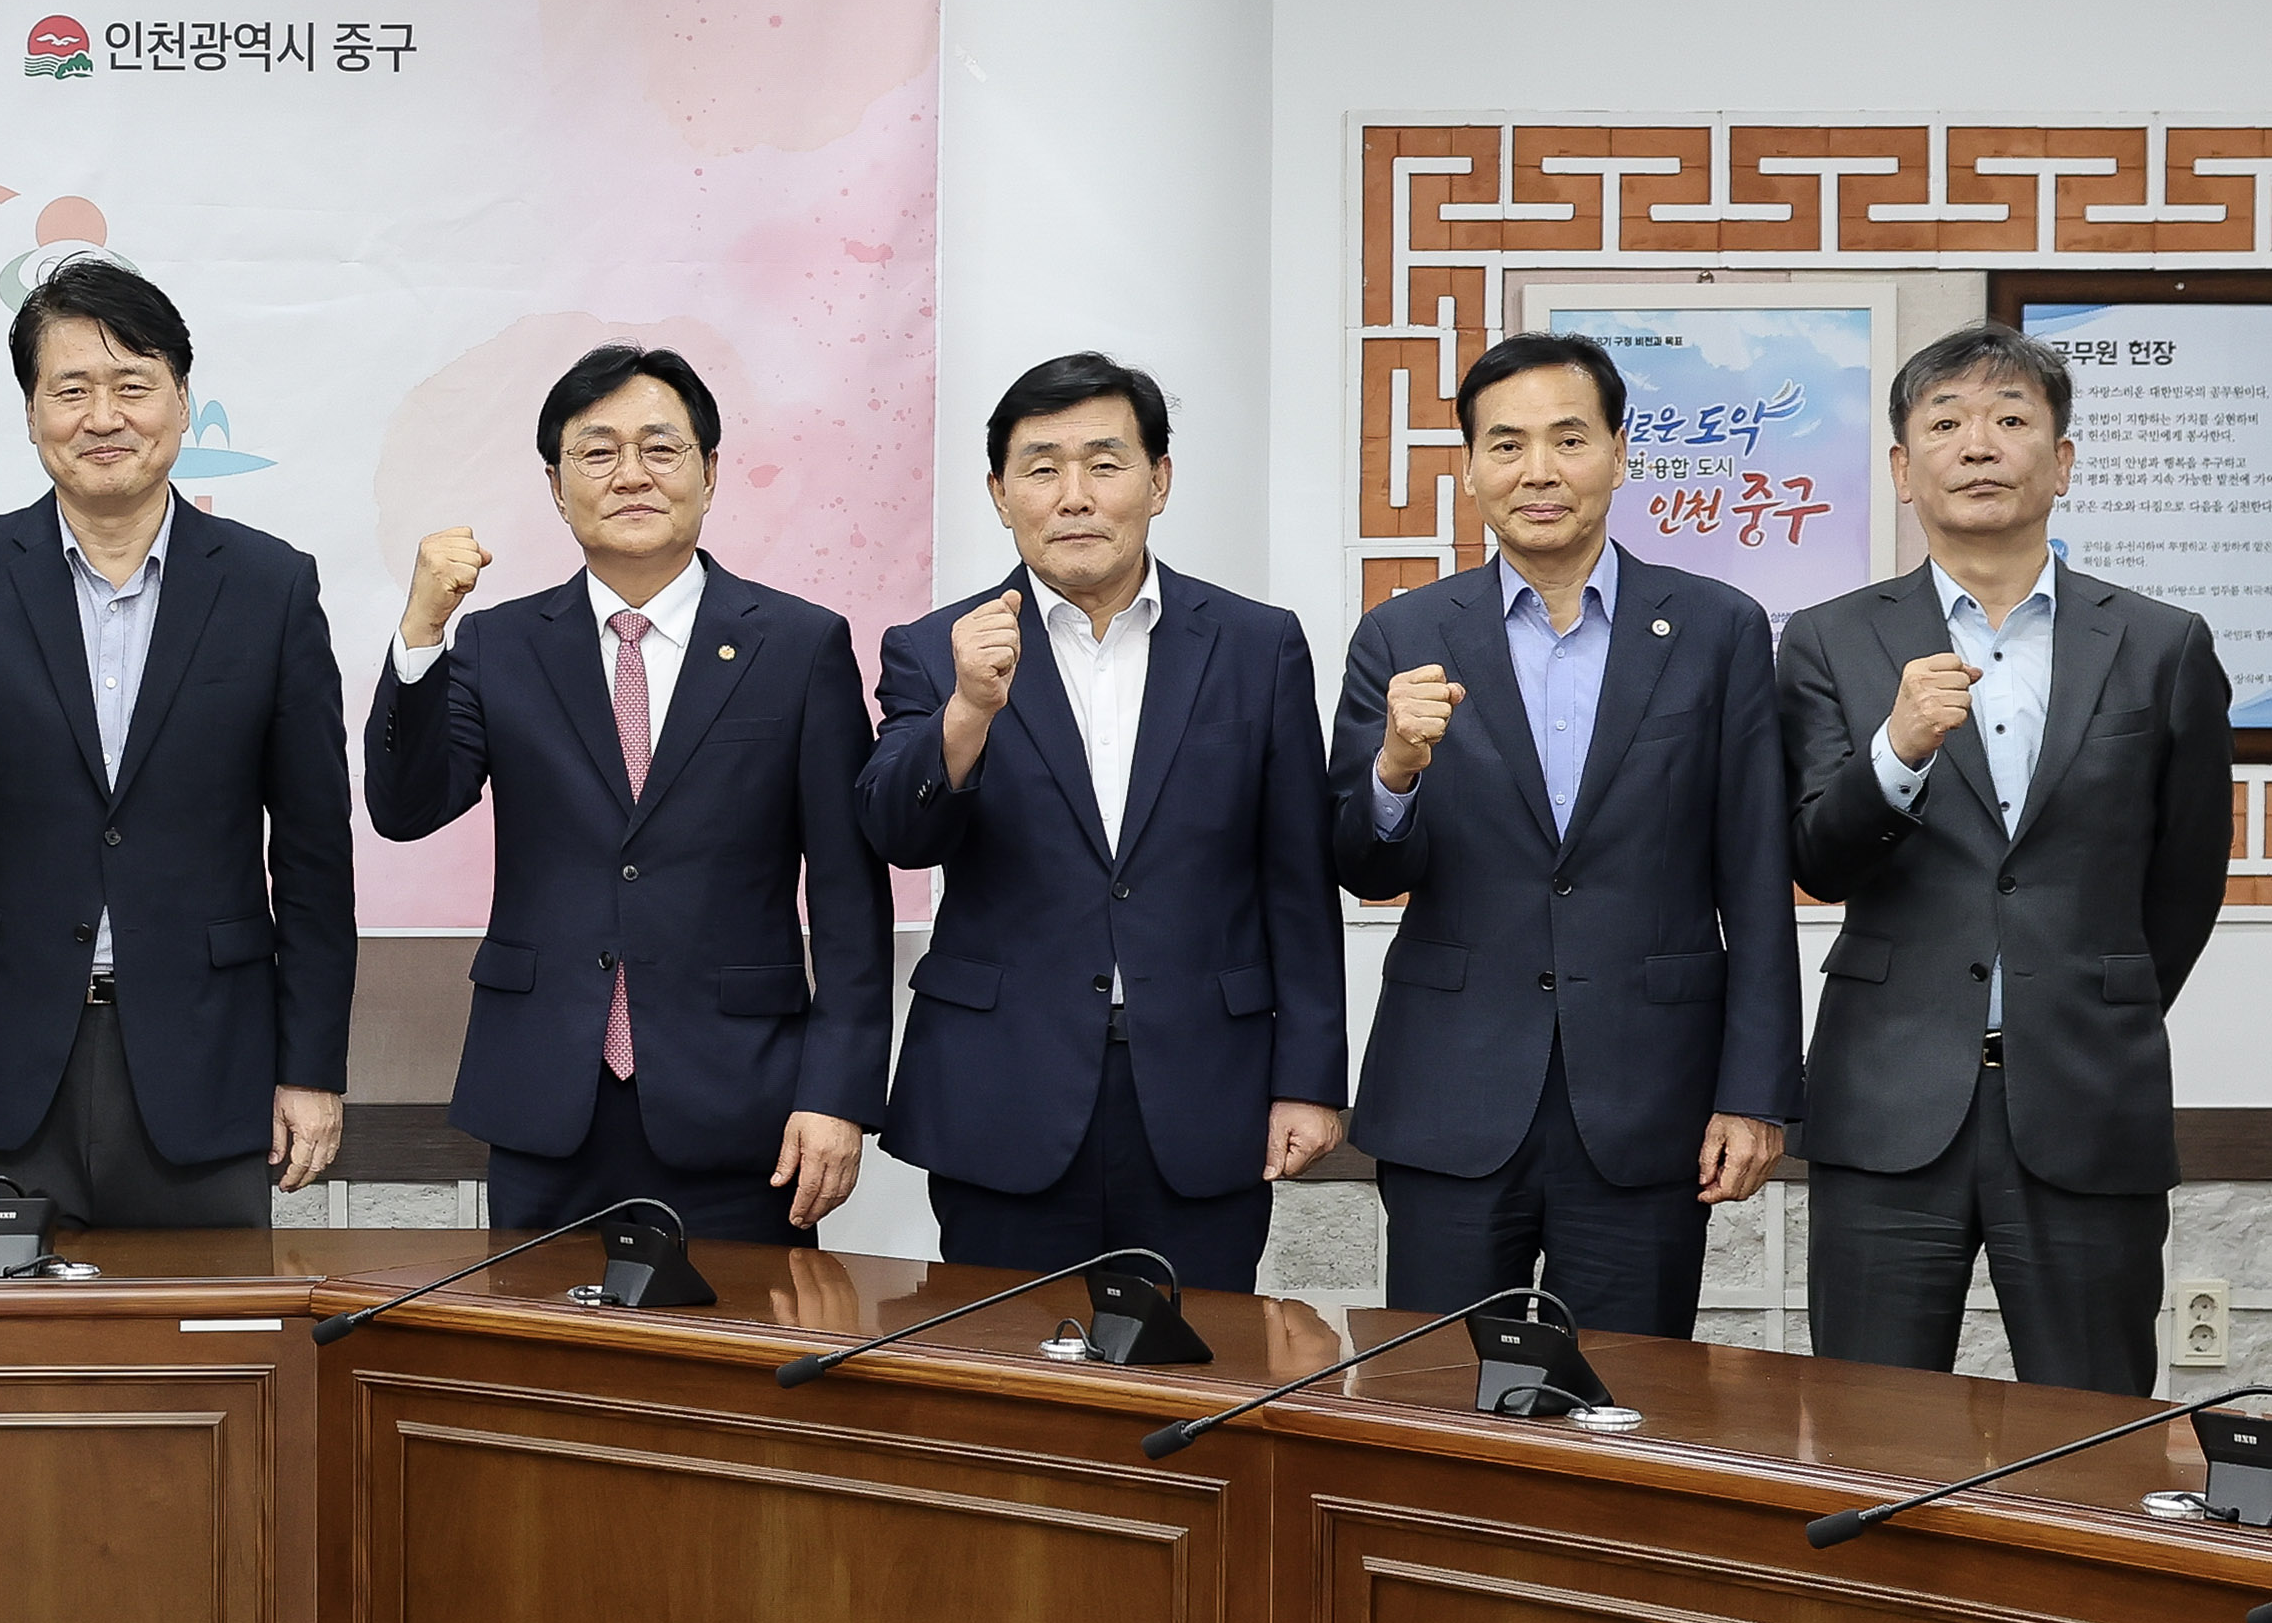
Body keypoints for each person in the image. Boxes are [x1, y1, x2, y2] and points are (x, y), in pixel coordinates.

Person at [1782, 324, 2229, 1393]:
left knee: (2092, 1430)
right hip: (1886, 1101)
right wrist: (1896, 750)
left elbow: (2185, 881)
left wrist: (2092, 999)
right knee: (1868, 1431)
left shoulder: (2161, 644)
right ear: (1903, 469)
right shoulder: (1827, 639)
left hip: (2088, 1096)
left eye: (2010, 420)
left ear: (2060, 461)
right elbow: (1814, 858)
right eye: (1944, 423)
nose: (1977, 445)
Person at [0, 260, 350, 1226]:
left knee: (205, 1325)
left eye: (133, 385)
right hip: (3, 1056)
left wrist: (311, 1068)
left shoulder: (270, 587)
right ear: (31, 413)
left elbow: (313, 853)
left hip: (207, 1058)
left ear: (182, 401)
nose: (104, 417)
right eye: (71, 390)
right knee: (4, 1325)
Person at [1329, 331, 1793, 1338]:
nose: (1537, 470)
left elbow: (1756, 877)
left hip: (1650, 1097)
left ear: (1619, 455)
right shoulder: (1402, 635)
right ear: (1469, 469)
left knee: (1626, 1400)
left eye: (1568, 439)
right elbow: (1360, 865)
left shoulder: (1716, 629)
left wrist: (1755, 1092)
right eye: (1505, 444)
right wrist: (1394, 767)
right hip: (1451, 1091)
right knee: (1435, 1395)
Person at [370, 344, 884, 1242]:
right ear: (556, 485)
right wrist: (422, 633)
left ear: (709, 471)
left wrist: (837, 1094)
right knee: (534, 1335)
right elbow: (406, 810)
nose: (632, 475)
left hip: (741, 1102)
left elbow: (849, 896)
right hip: (545, 1095)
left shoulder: (800, 646)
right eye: (598, 452)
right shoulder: (497, 644)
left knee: (742, 1334)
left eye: (660, 448)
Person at [859, 355, 1342, 1291]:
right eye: (1042, 468)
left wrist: (1310, 1078)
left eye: (1104, 463)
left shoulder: (1257, 644)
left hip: (1208, 1085)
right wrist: (966, 713)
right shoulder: (937, 648)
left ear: (1158, 480)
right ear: (1000, 494)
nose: (1074, 495)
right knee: (1005, 1365)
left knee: (1195, 1357)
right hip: (1005, 1089)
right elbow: (897, 835)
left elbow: (1296, 875)